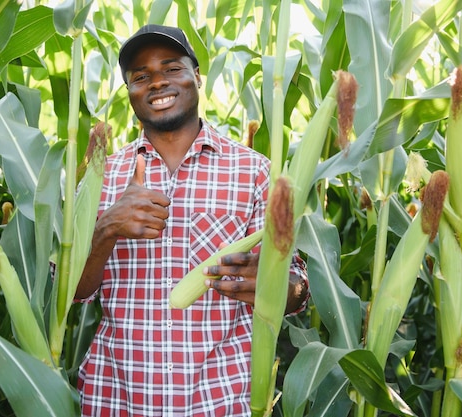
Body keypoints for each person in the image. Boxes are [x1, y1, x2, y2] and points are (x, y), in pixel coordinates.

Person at [75, 24, 309, 417]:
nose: (157, 83)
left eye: (171, 68)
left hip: (219, 401)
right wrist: (107, 228)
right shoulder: (101, 177)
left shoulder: (254, 173)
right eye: (140, 76)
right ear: (130, 92)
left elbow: (298, 291)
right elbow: (72, 294)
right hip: (116, 400)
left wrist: (278, 285)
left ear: (197, 77)